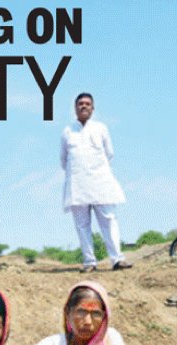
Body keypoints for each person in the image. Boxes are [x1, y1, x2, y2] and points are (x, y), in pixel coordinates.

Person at [61, 92, 132, 272]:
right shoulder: (67, 131)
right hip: (77, 184)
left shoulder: (101, 128)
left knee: (109, 220)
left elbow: (110, 153)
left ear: (93, 109)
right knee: (82, 225)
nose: (84, 106)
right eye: (80, 104)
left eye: (87, 104)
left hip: (101, 182)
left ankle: (117, 259)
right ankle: (90, 262)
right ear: (75, 108)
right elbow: (64, 159)